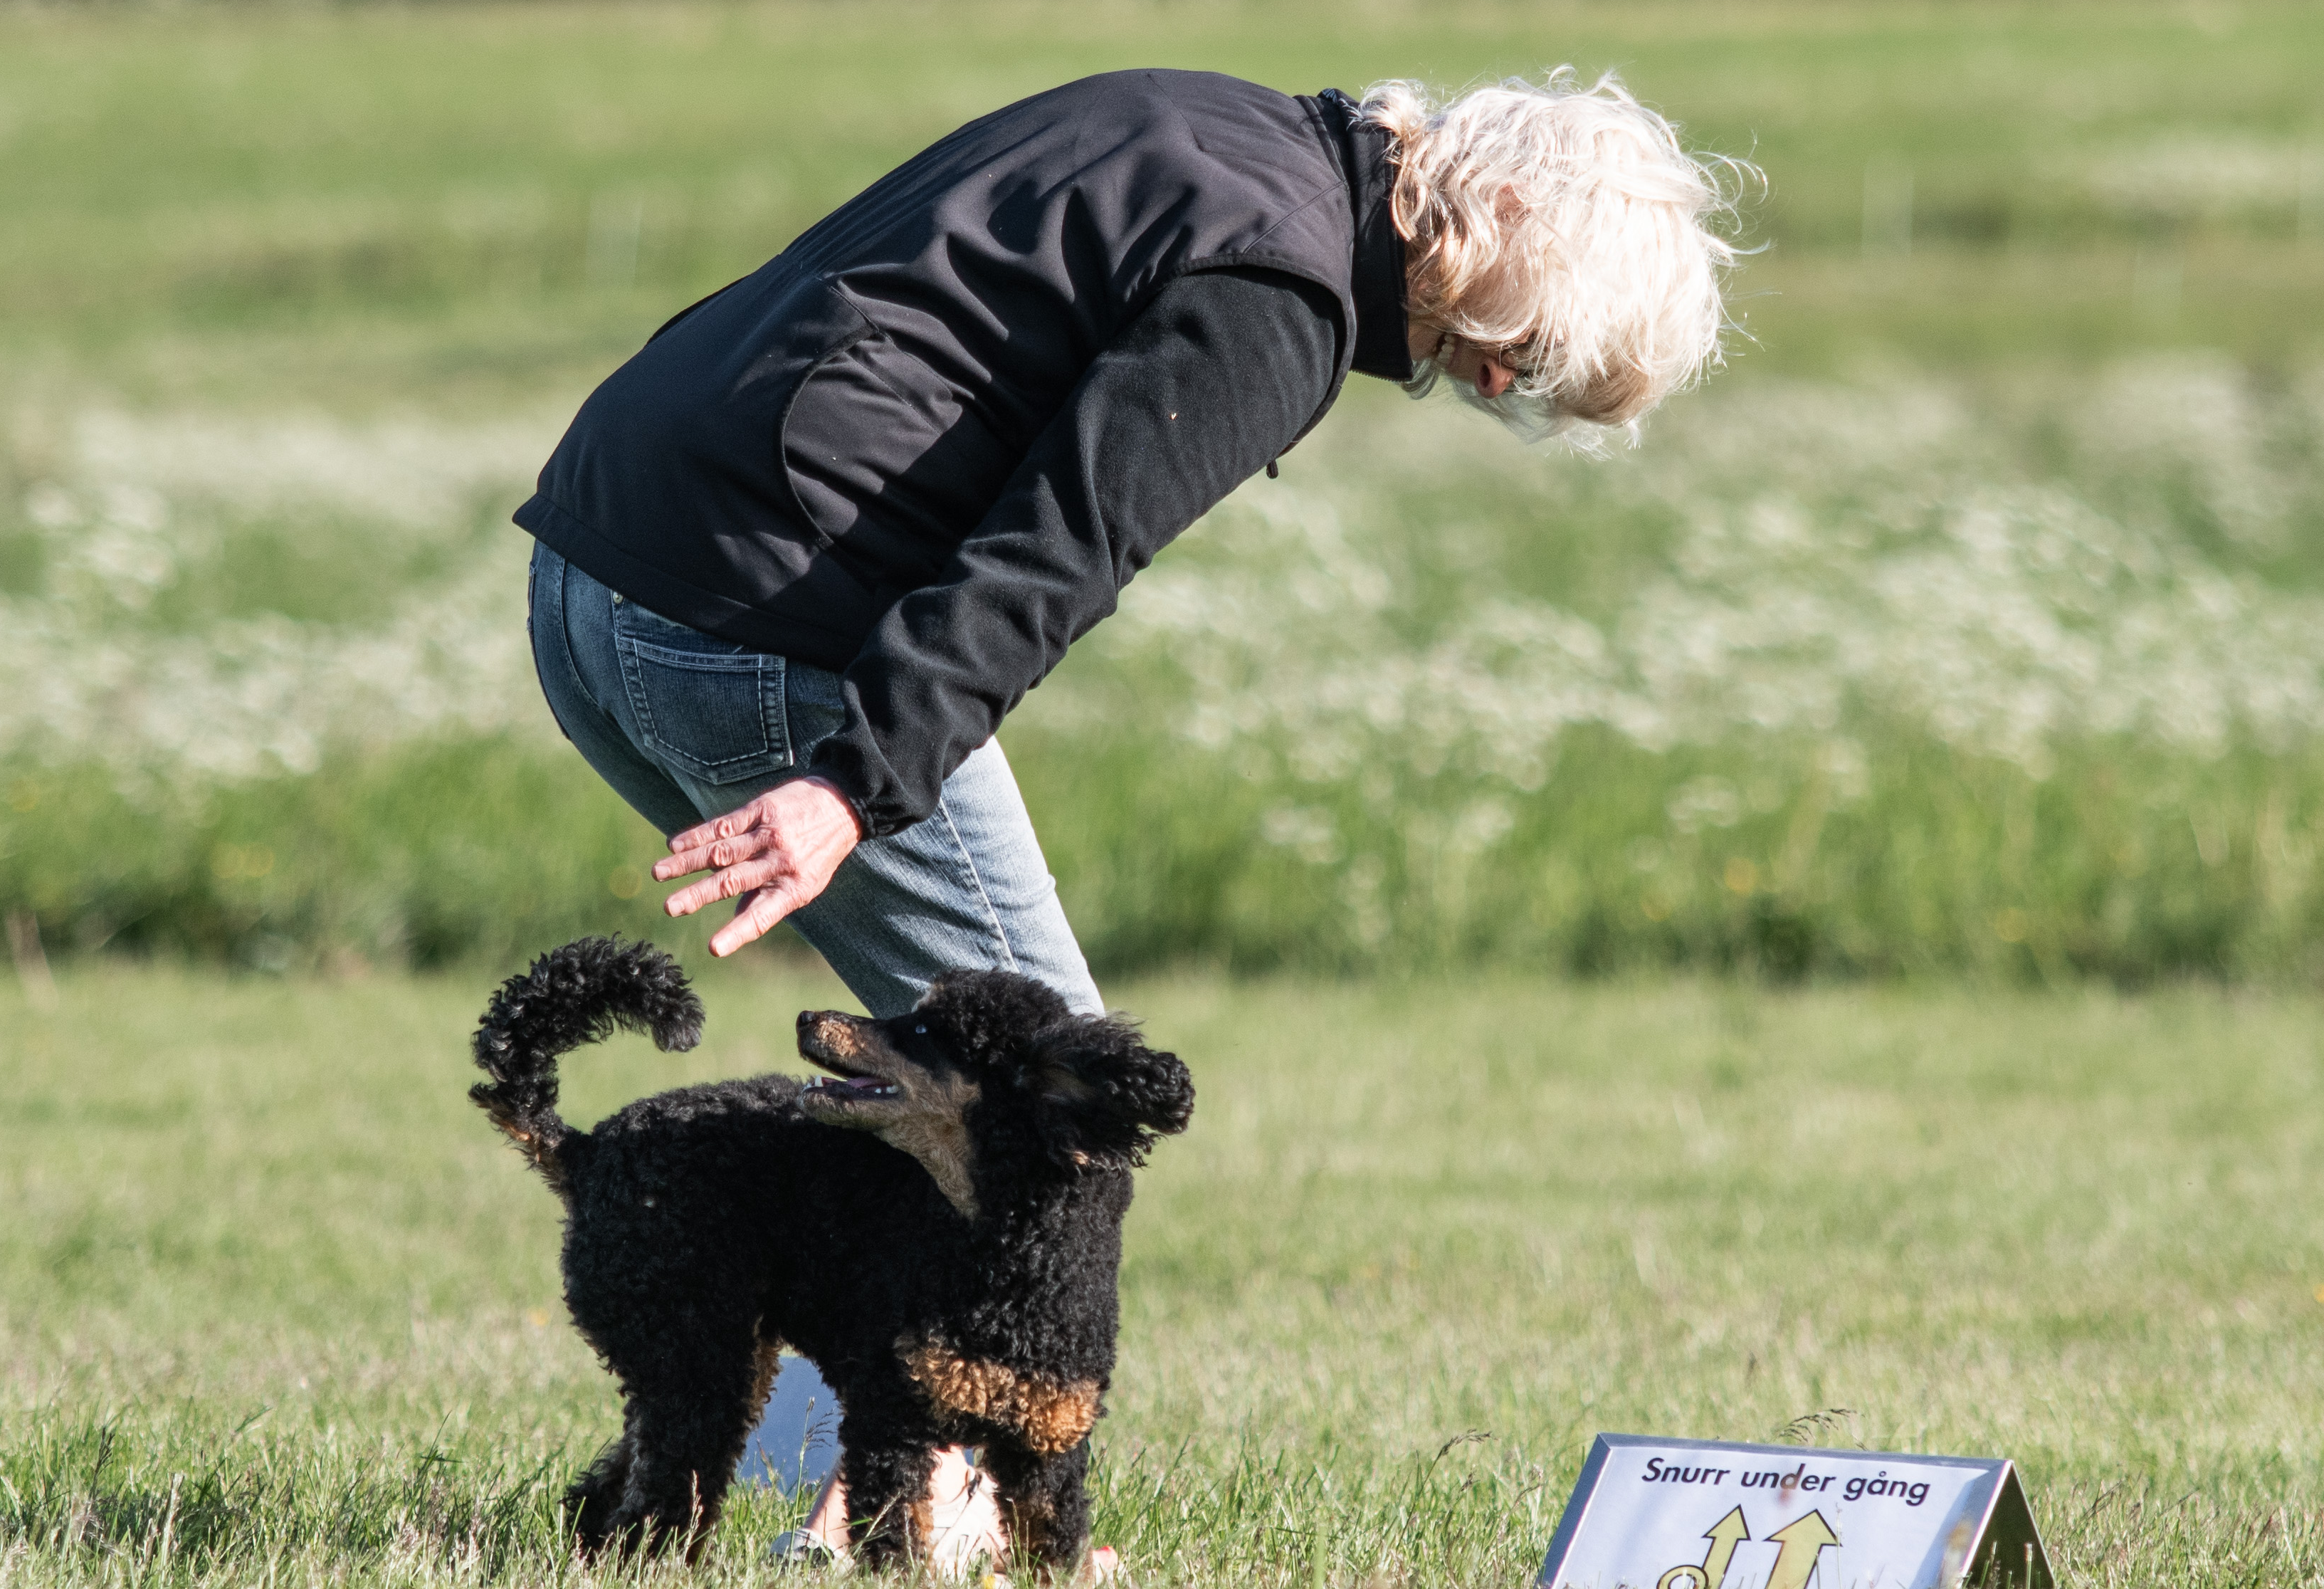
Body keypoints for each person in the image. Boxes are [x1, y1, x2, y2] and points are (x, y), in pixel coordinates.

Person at [515, 65, 1747, 1014]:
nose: (1491, 386)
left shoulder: (1234, 134)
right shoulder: (1283, 293)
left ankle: (762, 1344)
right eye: (1524, 354)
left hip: (595, 558)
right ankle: (760, 1345)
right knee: (1047, 1103)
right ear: (1510, 219)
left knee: (940, 1102)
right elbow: (1060, 549)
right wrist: (855, 783)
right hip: (750, 610)